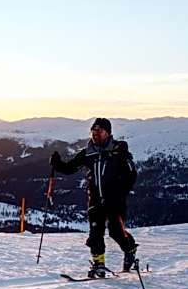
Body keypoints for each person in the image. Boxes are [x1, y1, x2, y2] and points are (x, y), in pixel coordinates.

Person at [51, 117, 139, 277]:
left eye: (99, 130)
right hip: (95, 201)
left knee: (116, 232)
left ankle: (130, 249)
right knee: (95, 233)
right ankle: (99, 265)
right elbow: (70, 168)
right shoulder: (88, 153)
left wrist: (120, 190)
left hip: (115, 202)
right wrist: (57, 164)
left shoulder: (119, 152)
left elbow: (132, 175)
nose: (95, 133)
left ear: (108, 133)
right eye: (93, 130)